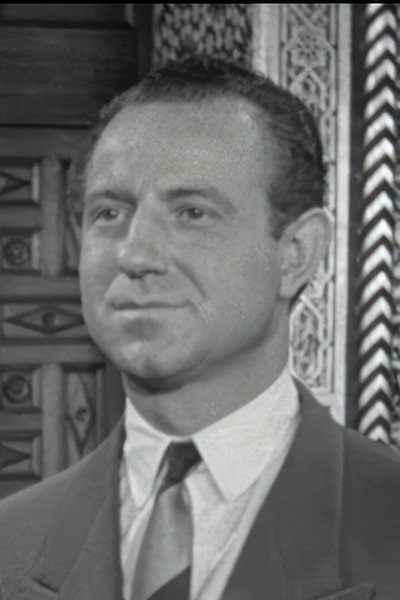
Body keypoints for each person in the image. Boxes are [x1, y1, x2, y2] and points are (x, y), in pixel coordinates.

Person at [0, 58, 400, 600]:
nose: (134, 254)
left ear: (297, 254)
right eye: (109, 213)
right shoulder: (12, 542)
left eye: (192, 213)